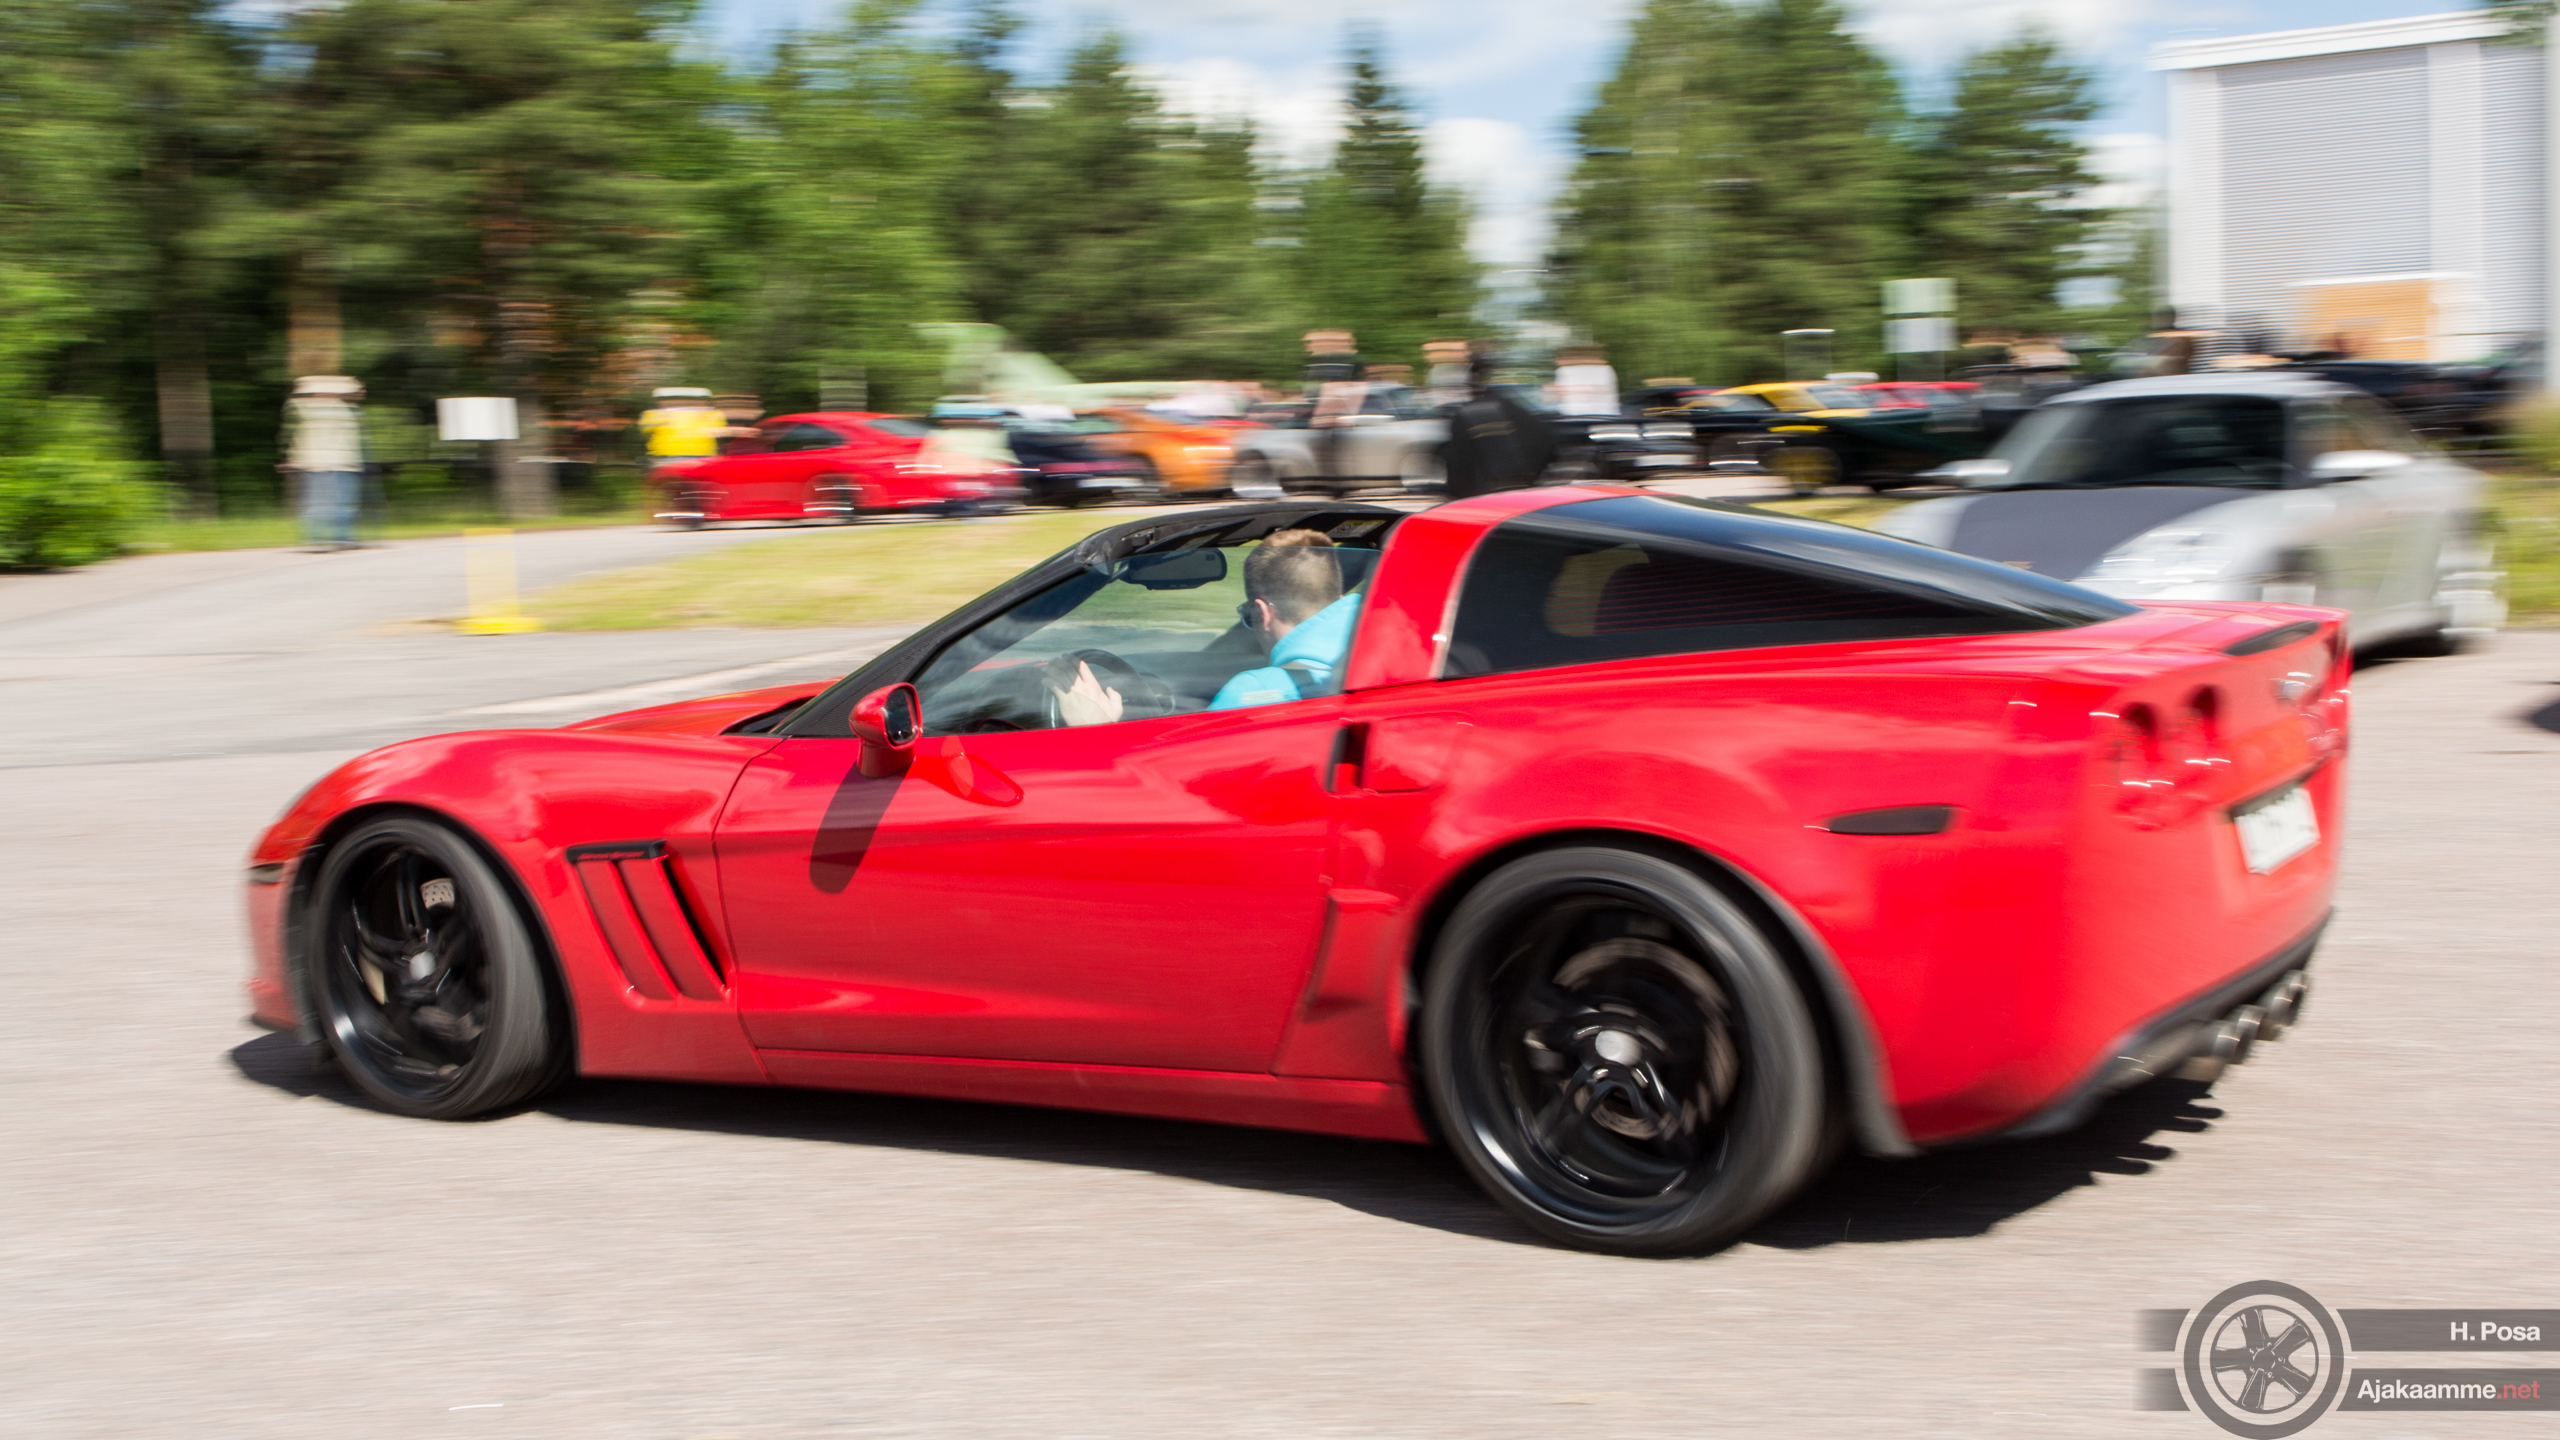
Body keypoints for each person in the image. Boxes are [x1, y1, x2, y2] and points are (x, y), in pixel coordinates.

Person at [281, 375, 365, 551]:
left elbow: (298, 436)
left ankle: (325, 539)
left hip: (328, 464)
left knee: (328, 504)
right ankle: (329, 539)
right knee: (331, 504)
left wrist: (294, 459)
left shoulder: (312, 411)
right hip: (328, 464)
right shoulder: (328, 411)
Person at [638, 387, 727, 469]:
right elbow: (645, 428)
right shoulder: (654, 414)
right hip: (666, 455)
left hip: (700, 455)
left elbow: (719, 431)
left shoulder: (712, 414)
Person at [1552, 345, 1622, 417]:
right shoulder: (1606, 369)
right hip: (1604, 415)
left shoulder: (1564, 370)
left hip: (1575, 416)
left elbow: (1560, 393)